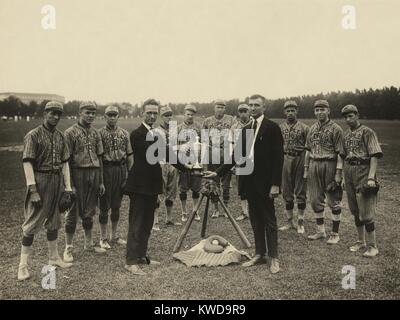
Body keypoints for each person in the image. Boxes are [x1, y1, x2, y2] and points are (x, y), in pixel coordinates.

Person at [204, 94, 284, 274]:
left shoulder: (272, 128)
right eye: (251, 105)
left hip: (266, 183)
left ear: (264, 107)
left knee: (269, 220)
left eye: (257, 105)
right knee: (255, 218)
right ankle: (259, 254)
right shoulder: (247, 128)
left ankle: (274, 257)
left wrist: (275, 184)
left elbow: (279, 158)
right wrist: (217, 173)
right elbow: (235, 157)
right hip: (249, 180)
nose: (253, 108)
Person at [123, 99, 188, 275]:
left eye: (154, 113)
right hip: (138, 186)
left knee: (147, 223)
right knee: (136, 223)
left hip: (152, 184)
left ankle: (141, 256)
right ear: (142, 113)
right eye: (148, 112)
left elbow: (168, 154)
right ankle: (130, 261)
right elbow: (152, 152)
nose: (152, 115)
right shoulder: (136, 134)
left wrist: (188, 168)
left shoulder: (156, 134)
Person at [18, 101, 73, 281]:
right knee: (32, 224)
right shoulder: (33, 135)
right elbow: (27, 163)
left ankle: (54, 257)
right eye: (52, 113)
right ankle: (23, 266)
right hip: (40, 180)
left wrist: (68, 188)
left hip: (57, 179)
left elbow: (65, 163)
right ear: (45, 114)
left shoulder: (60, 136)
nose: (55, 116)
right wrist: (32, 189)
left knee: (55, 221)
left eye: (58, 113)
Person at [63, 101, 106, 262]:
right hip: (77, 172)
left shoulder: (96, 133)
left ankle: (88, 244)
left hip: (93, 173)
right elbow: (66, 161)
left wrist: (101, 181)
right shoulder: (70, 132)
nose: (91, 115)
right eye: (87, 112)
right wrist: (70, 184)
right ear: (80, 113)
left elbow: (99, 158)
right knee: (72, 212)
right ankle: (68, 248)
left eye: (93, 113)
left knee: (89, 211)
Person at [340, 105, 383, 257]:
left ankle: (373, 245)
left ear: (357, 115)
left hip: (364, 170)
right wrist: (342, 177)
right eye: (345, 117)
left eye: (350, 115)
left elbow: (374, 155)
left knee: (366, 212)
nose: (348, 119)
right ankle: (361, 241)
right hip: (349, 171)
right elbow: (343, 156)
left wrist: (371, 177)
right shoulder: (345, 134)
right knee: (355, 210)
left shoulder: (367, 132)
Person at [304, 100, 344, 244]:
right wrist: (306, 169)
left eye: (322, 109)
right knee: (315, 200)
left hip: (330, 163)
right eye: (317, 110)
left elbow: (340, 153)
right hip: (315, 163)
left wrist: (338, 173)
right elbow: (308, 151)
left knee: (333, 199)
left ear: (328, 111)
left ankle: (335, 233)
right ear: (314, 112)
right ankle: (320, 231)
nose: (319, 112)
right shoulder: (312, 128)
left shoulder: (336, 129)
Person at [98, 105, 133, 249]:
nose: (112, 118)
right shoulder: (99, 133)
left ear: (118, 116)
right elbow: (99, 158)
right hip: (106, 169)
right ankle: (103, 237)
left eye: (114, 115)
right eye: (109, 115)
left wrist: (129, 175)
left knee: (117, 206)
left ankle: (114, 235)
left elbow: (130, 155)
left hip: (120, 168)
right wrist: (100, 179)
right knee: (104, 206)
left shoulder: (125, 133)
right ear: (105, 117)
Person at [278, 100, 309, 234]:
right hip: (285, 158)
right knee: (287, 191)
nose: (290, 113)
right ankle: (290, 221)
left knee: (301, 191)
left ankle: (300, 222)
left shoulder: (304, 128)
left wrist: (307, 165)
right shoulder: (280, 127)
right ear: (284, 112)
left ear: (297, 111)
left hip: (300, 157)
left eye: (293, 110)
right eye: (288, 110)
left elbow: (309, 148)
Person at [202, 99, 236, 218]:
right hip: (213, 152)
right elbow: (204, 139)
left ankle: (225, 208)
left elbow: (235, 136)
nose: (220, 109)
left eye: (222, 107)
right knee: (213, 182)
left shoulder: (231, 119)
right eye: (218, 107)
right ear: (214, 108)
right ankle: (215, 208)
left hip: (226, 152)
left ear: (225, 109)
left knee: (226, 184)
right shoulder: (207, 121)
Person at [152, 105, 181, 230]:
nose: (168, 117)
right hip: (161, 163)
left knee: (171, 191)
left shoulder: (175, 130)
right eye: (165, 115)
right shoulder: (156, 131)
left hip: (173, 164)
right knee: (159, 191)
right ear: (161, 116)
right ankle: (155, 221)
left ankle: (169, 218)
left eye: (170, 115)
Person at [177, 104, 202, 222]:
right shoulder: (177, 128)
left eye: (192, 114)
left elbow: (205, 144)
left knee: (196, 189)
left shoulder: (199, 127)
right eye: (188, 114)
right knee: (183, 189)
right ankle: (184, 212)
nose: (190, 116)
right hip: (182, 162)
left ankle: (195, 211)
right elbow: (171, 146)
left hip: (196, 161)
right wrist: (182, 146)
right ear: (184, 114)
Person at [231, 103, 252, 221]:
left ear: (249, 112)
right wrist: (232, 164)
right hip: (239, 158)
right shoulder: (234, 127)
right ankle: (244, 212)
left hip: (253, 158)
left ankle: (254, 210)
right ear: (238, 113)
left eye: (245, 111)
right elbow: (232, 145)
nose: (243, 114)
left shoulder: (254, 125)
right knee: (242, 185)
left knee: (254, 184)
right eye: (241, 111)